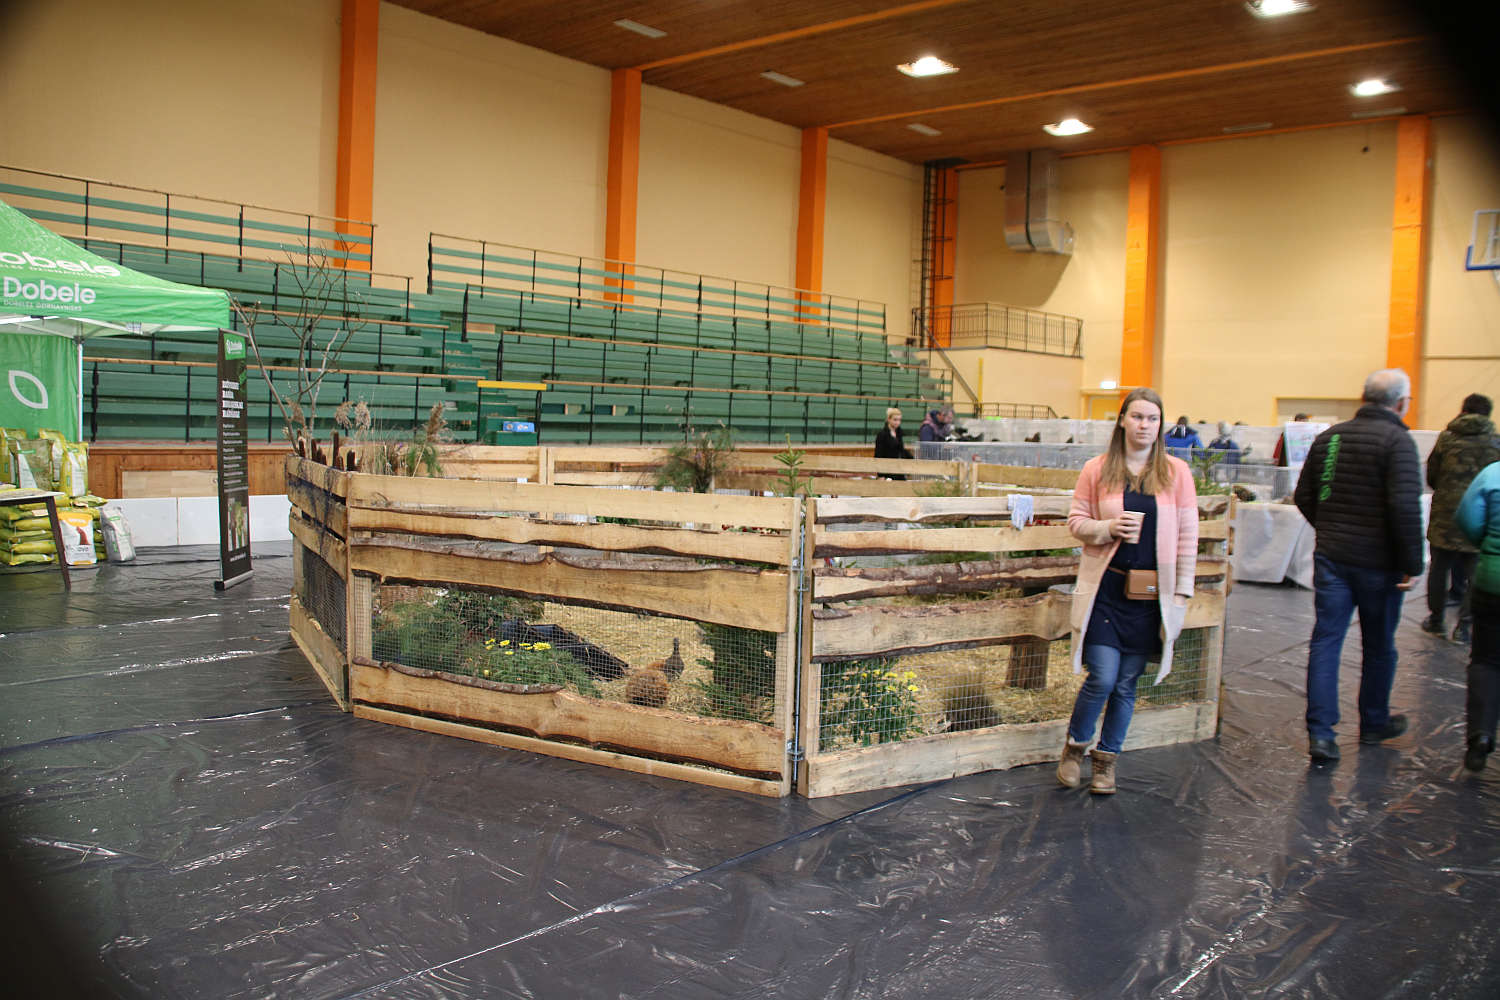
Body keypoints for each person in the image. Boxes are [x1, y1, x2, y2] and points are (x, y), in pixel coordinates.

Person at [1056, 387, 1199, 794]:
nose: (1144, 425)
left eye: (1152, 419)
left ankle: (1106, 761)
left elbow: (1188, 536)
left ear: (1161, 425)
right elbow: (1076, 521)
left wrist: (1181, 591)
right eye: (1137, 417)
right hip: (1106, 589)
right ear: (1122, 421)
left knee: (1126, 683)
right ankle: (1075, 748)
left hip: (1151, 596)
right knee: (1102, 676)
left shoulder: (1176, 474)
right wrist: (1107, 527)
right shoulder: (1097, 469)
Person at [1293, 369, 1424, 763]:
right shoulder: (1398, 442)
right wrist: (1412, 563)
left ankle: (1321, 734)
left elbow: (1303, 496)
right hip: (1379, 566)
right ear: (1401, 403)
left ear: (1363, 397)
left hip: (1333, 559)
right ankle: (1374, 721)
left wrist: (1330, 529)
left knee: (1326, 642)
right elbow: (1405, 507)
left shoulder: (1329, 438)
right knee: (1379, 646)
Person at [1421, 393, 1500, 644]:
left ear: (1463, 411)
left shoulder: (1446, 439)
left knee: (1438, 569)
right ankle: (1464, 627)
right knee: (1474, 574)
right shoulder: (1496, 442)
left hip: (1445, 516)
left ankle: (1436, 621)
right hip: (1479, 516)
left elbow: (1432, 476)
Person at [1455, 459, 1500, 770]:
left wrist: (1487, 545)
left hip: (1492, 580)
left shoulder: (1493, 473)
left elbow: (1467, 518)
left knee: (1486, 660)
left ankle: (1480, 736)